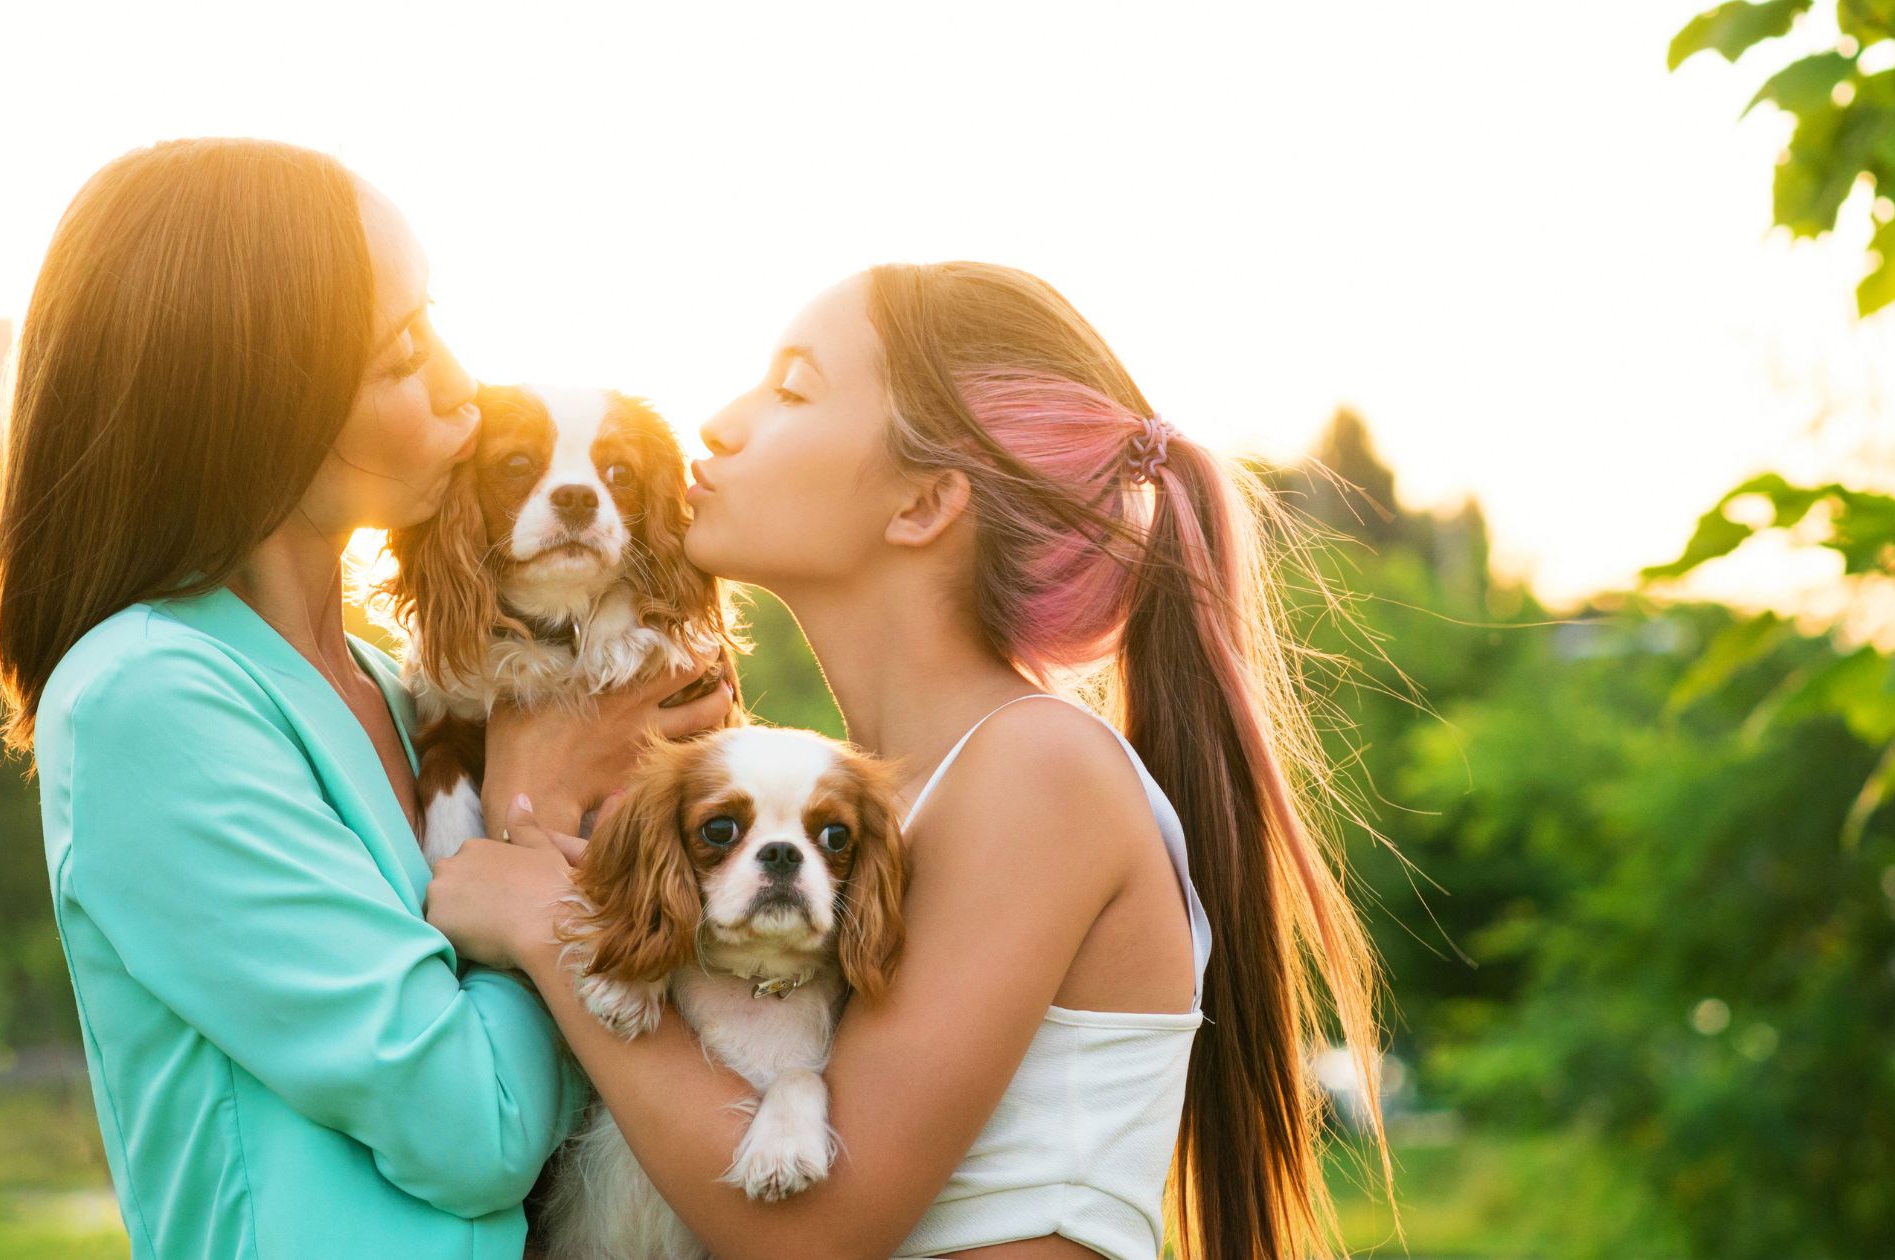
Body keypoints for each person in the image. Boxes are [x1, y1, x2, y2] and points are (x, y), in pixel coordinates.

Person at [429, 262, 1396, 1260]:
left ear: (924, 502)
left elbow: (814, 1230)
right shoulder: (858, 792)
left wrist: (553, 929)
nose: (717, 424)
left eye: (791, 389)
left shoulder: (1035, 767)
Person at [0, 137, 732, 1259]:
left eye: (437, 322)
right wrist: (530, 810)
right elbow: (472, 1127)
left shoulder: (393, 688)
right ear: (256, 405)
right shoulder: (149, 699)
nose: (458, 382)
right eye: (400, 353)